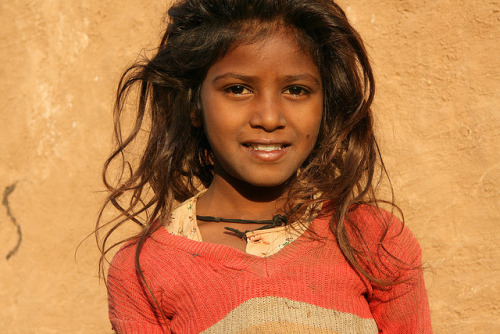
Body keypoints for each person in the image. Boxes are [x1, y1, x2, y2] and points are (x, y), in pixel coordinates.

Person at [97, 0, 433, 332]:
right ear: (194, 105)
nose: (270, 118)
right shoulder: (144, 270)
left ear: (324, 105)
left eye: (296, 90)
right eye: (238, 89)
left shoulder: (372, 240)